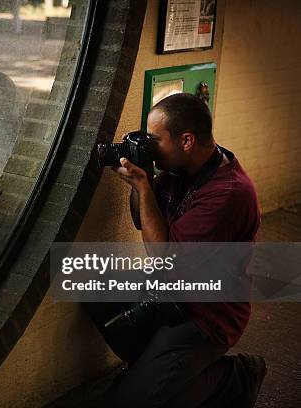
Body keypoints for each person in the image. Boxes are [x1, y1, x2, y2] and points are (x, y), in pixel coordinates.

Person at [104, 93, 266, 407]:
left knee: (133, 400)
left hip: (207, 313)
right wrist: (145, 178)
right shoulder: (181, 171)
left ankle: (237, 376)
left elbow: (164, 258)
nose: (150, 147)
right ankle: (160, 367)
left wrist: (141, 186)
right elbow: (142, 220)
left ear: (187, 141)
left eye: (155, 140)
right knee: (95, 291)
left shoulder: (228, 193)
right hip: (173, 293)